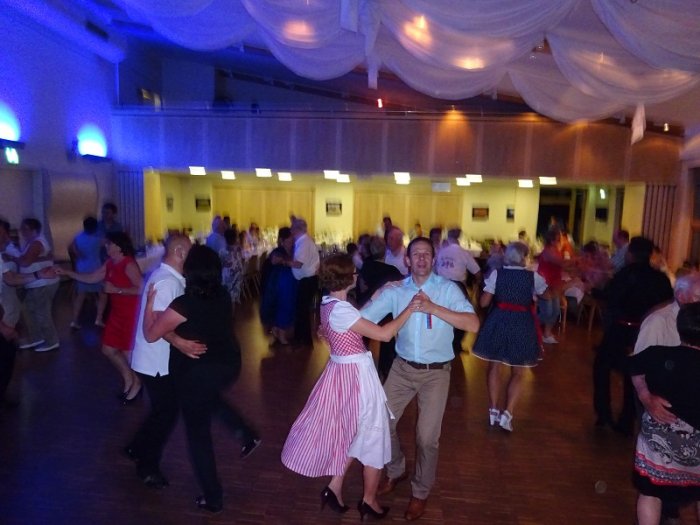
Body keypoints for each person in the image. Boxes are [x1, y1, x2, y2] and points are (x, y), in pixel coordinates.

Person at [281, 254, 417, 519]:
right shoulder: (341, 310)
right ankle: (369, 501)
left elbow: (358, 317)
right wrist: (410, 309)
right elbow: (384, 334)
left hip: (343, 372)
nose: (357, 276)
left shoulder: (330, 303)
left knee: (355, 432)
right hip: (356, 376)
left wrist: (381, 290)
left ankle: (334, 487)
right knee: (374, 436)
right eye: (354, 273)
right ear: (346, 278)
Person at [360, 237, 480, 521]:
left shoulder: (447, 289)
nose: (422, 258)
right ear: (407, 260)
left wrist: (433, 308)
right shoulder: (397, 290)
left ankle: (420, 492)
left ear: (434, 259)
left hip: (436, 373)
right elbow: (363, 318)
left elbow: (473, 323)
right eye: (416, 254)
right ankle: (396, 469)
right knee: (380, 423)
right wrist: (378, 293)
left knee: (427, 438)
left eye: (427, 254)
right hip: (402, 369)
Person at [143, 244, 260, 514]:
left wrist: (151, 306)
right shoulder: (223, 296)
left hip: (197, 374)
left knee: (198, 436)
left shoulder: (183, 305)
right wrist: (178, 336)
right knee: (210, 399)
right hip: (228, 366)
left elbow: (150, 334)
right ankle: (245, 433)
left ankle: (213, 496)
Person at [125, 234, 205, 488]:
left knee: (163, 410)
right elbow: (158, 323)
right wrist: (181, 343)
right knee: (166, 413)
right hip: (155, 361)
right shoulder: (167, 282)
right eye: (190, 252)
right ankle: (147, 467)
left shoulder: (169, 278)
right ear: (180, 252)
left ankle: (136, 447)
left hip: (156, 359)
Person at [631, 273, 700, 524]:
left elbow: (634, 364)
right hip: (665, 417)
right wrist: (646, 396)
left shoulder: (660, 353)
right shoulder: (658, 322)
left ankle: (669, 513)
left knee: (653, 490)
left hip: (672, 427)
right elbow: (636, 368)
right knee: (654, 489)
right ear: (681, 295)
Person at [593, 236, 673, 435]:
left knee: (602, 368)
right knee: (636, 373)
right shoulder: (660, 279)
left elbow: (610, 297)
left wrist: (596, 290)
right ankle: (627, 419)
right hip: (647, 332)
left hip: (620, 330)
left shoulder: (625, 274)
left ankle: (604, 413)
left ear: (630, 254)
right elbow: (667, 304)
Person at [56, 231, 143, 401]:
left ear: (119, 246)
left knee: (127, 353)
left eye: (109, 244)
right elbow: (92, 277)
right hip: (117, 314)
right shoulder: (110, 263)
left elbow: (141, 288)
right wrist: (68, 273)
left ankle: (136, 383)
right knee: (108, 349)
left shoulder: (128, 264)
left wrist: (117, 290)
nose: (106, 246)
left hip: (130, 314)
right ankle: (129, 378)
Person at [472, 242, 547, 431]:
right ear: (525, 257)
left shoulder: (497, 274)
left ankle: (493, 410)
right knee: (518, 371)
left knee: (494, 366)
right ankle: (508, 413)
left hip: (499, 320)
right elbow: (546, 294)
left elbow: (483, 303)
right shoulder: (533, 277)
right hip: (522, 322)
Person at [10, 218, 61, 352]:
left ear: (34, 230)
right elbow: (28, 260)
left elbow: (25, 262)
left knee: (41, 312)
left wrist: (13, 257)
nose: (22, 231)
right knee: (28, 310)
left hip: (42, 283)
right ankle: (37, 337)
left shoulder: (37, 242)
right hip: (35, 283)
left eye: (25, 228)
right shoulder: (31, 242)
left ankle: (51, 340)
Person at [435, 227, 482, 355]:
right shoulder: (463, 253)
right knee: (465, 315)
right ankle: (456, 344)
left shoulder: (442, 251)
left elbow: (435, 269)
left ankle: (439, 342)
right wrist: (477, 283)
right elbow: (477, 271)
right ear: (459, 237)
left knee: (439, 314)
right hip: (456, 286)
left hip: (440, 285)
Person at [260, 227, 297, 345]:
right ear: (282, 240)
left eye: (292, 240)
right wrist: (286, 262)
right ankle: (280, 334)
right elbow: (273, 260)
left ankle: (277, 331)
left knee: (286, 306)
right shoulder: (278, 251)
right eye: (289, 240)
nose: (292, 242)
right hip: (279, 283)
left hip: (288, 283)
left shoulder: (292, 250)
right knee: (282, 306)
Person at [68, 216, 104, 329]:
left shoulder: (78, 237)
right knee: (102, 294)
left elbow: (71, 248)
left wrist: (79, 255)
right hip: (95, 267)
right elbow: (107, 245)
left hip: (82, 266)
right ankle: (98, 318)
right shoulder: (98, 238)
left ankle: (74, 320)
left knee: (81, 295)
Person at [289, 218, 320, 346]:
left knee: (301, 310)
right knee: (302, 310)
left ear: (297, 229)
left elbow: (298, 264)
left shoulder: (304, 243)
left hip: (307, 281)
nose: (291, 230)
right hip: (308, 280)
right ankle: (304, 339)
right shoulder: (303, 241)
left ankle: (302, 340)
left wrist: (283, 261)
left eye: (292, 228)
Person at [536, 228, 565, 344]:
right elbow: (560, 262)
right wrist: (577, 261)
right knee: (546, 312)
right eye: (557, 239)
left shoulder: (556, 250)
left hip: (555, 283)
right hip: (545, 283)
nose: (559, 241)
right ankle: (529, 326)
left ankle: (547, 334)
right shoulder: (547, 251)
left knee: (555, 311)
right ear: (551, 240)